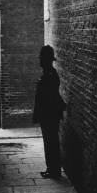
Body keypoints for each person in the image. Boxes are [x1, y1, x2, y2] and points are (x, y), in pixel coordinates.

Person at [33, 45, 66, 179]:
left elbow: (48, 98)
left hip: (49, 115)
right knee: (50, 142)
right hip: (49, 114)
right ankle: (52, 169)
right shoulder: (49, 74)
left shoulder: (49, 75)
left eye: (41, 58)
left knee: (50, 142)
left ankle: (53, 170)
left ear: (46, 60)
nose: (39, 61)